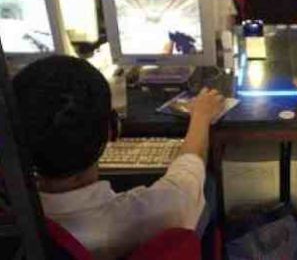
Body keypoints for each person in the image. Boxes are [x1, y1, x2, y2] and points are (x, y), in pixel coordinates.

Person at [12, 55, 225, 260]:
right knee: (208, 185)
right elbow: (188, 176)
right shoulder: (158, 212)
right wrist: (201, 116)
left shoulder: (13, 223)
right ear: (112, 129)